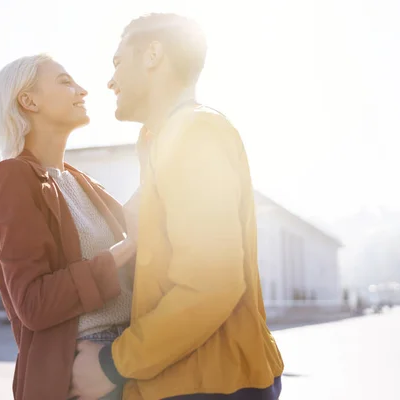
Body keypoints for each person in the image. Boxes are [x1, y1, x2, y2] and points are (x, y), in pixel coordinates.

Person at [70, 13, 284, 400]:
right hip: (179, 379)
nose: (110, 80)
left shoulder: (195, 133)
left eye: (118, 62)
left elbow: (210, 283)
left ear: (153, 55)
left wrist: (112, 364)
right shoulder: (161, 140)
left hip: (211, 384)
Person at [0, 54, 136, 400]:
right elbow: (33, 303)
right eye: (65, 82)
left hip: (127, 360)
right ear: (28, 100)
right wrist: (122, 251)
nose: (82, 90)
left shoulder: (86, 184)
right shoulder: (12, 177)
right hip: (78, 371)